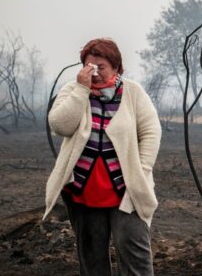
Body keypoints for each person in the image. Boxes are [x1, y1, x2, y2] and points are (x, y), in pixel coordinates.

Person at [43, 38, 162, 275]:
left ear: (116, 67)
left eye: (100, 66)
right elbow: (60, 126)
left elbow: (151, 132)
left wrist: (141, 170)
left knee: (134, 253)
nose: (94, 72)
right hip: (83, 191)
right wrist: (81, 90)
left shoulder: (133, 92)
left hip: (126, 190)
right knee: (92, 259)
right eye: (89, 66)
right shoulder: (73, 90)